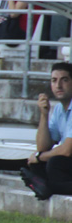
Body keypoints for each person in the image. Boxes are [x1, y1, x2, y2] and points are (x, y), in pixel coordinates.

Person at [21, 62, 72, 200]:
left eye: (64, 80)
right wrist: (44, 114)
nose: (58, 86)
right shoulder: (59, 110)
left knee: (55, 162)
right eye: (54, 81)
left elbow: (67, 150)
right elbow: (43, 147)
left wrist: (39, 156)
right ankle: (46, 186)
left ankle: (47, 187)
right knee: (36, 164)